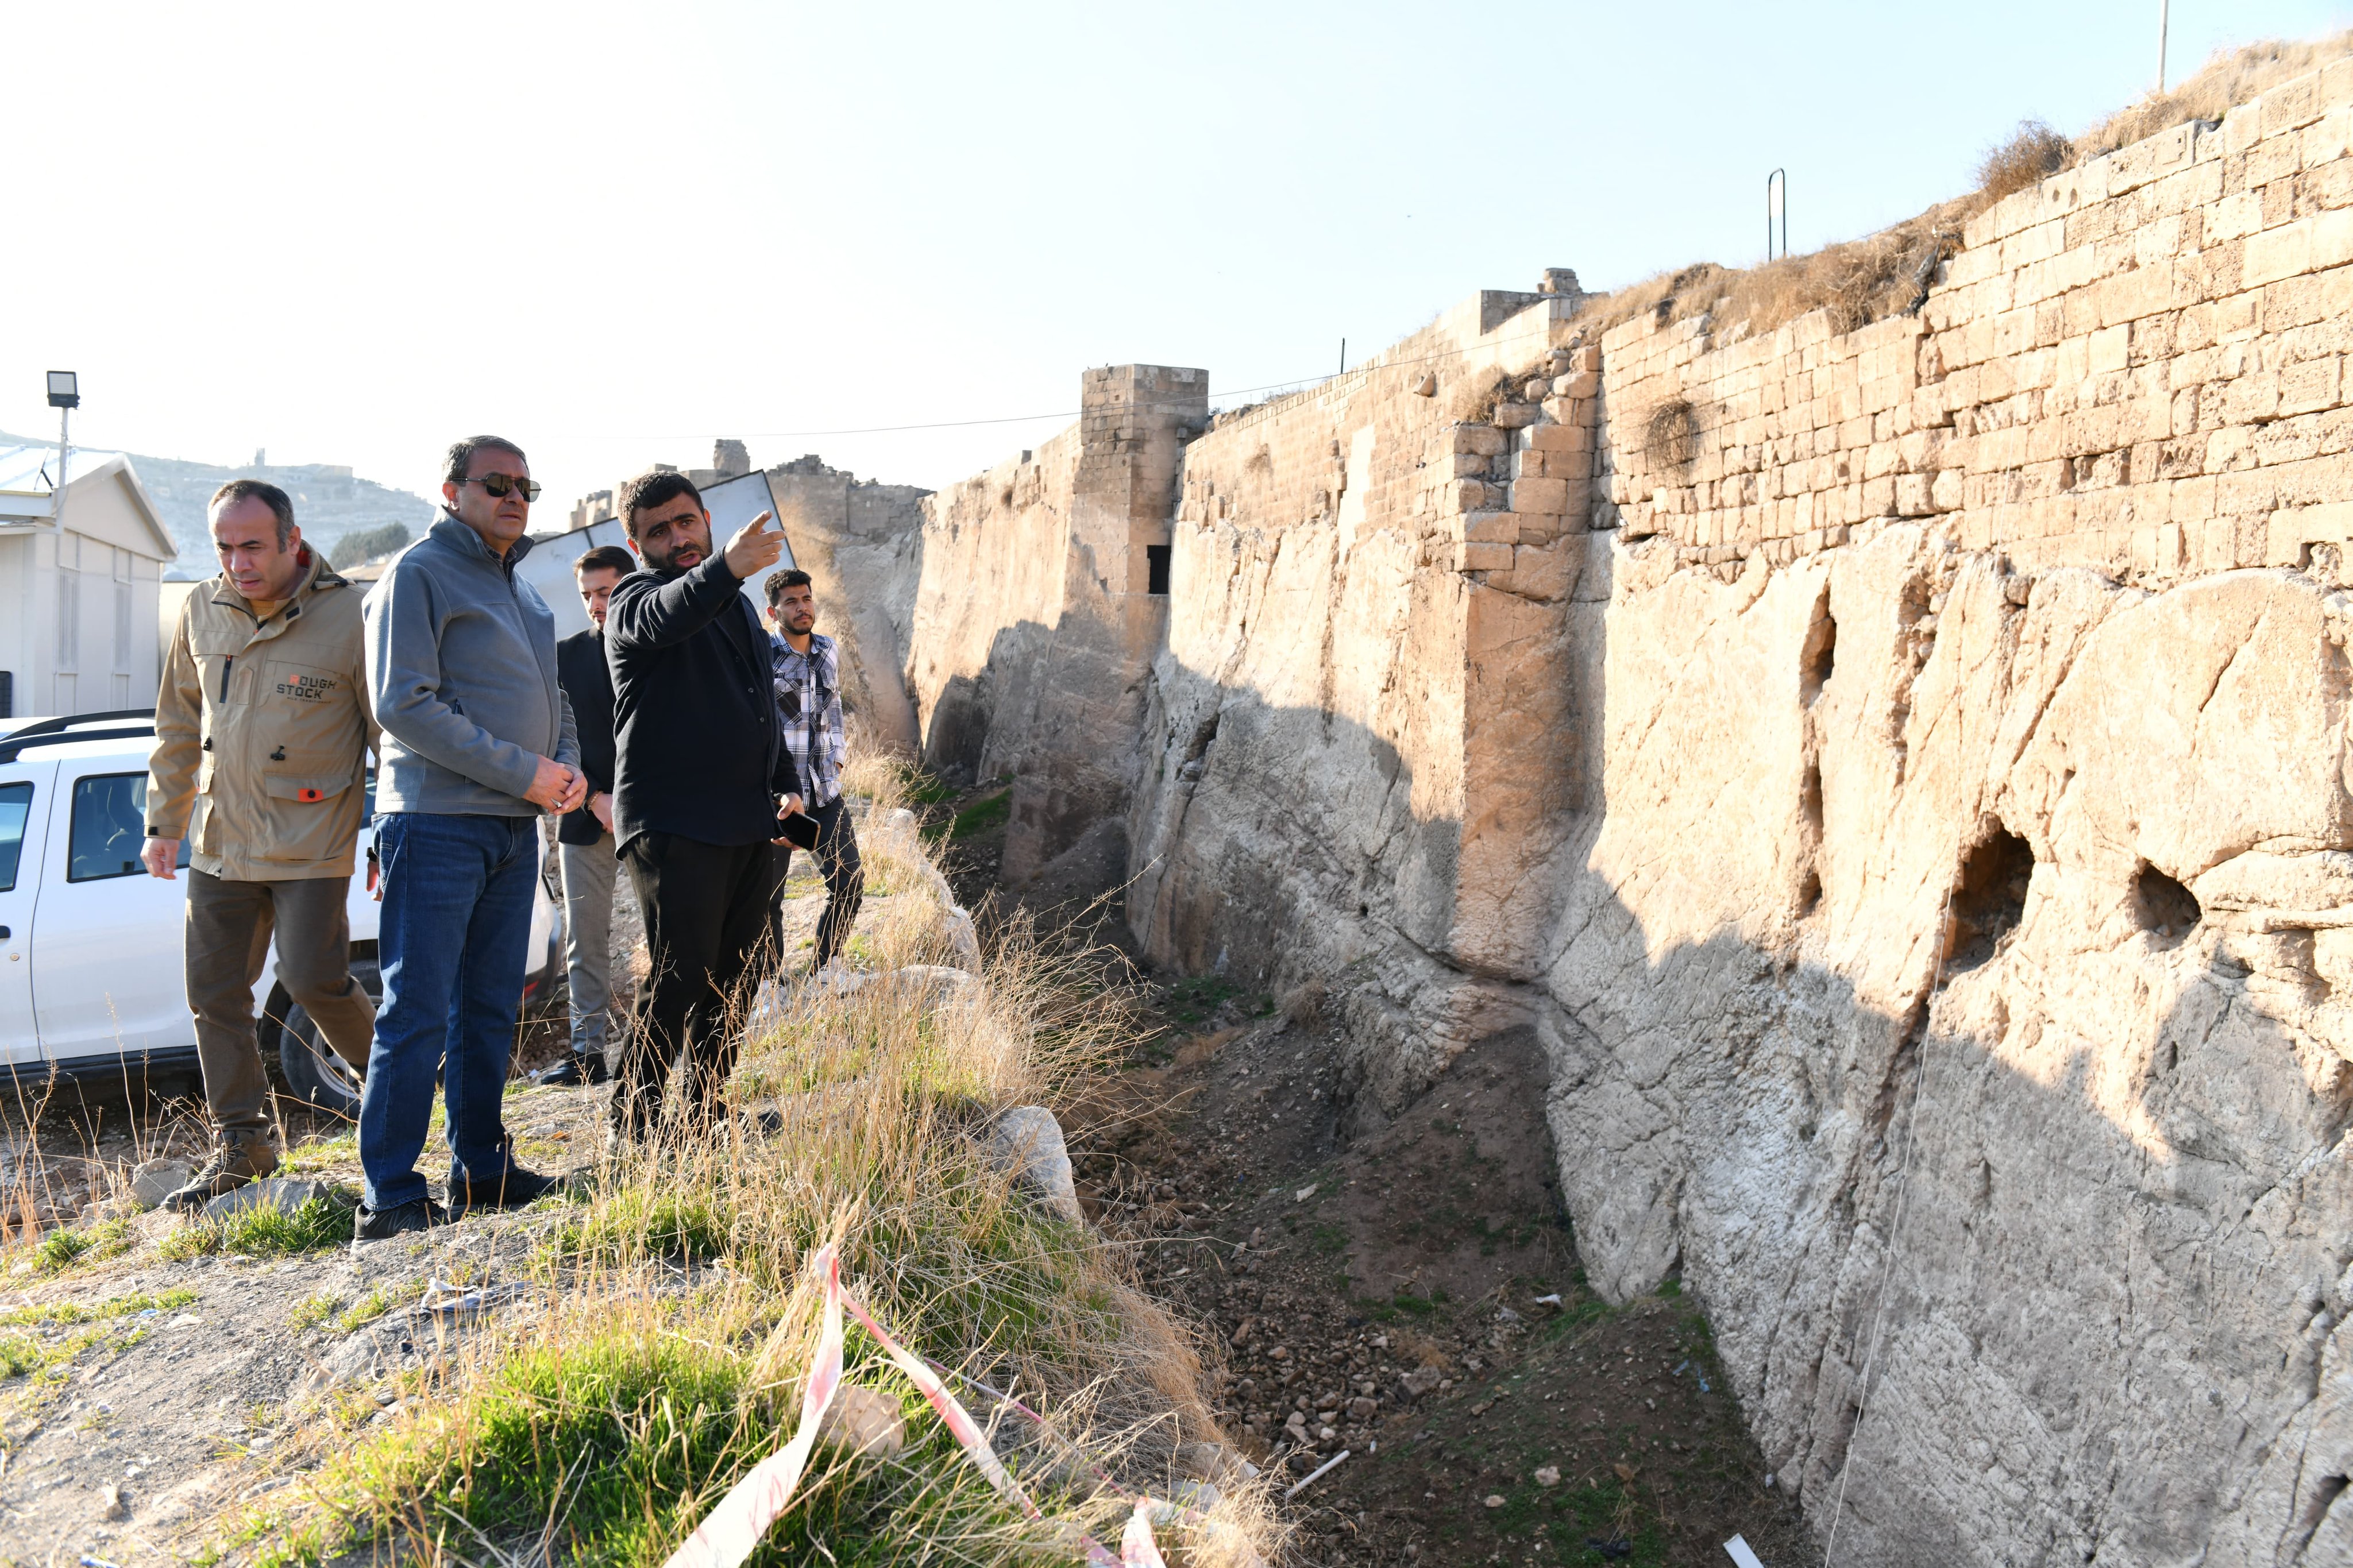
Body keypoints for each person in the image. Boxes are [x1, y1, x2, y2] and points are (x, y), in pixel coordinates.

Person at [356, 435, 585, 1239]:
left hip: (513, 828)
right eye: (497, 482)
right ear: (451, 489)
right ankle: (390, 1191)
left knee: (489, 1006)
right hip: (435, 822)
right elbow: (402, 704)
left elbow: (556, 701)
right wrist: (526, 771)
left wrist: (566, 768)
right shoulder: (420, 572)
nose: (515, 495)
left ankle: (481, 1168)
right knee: (416, 1009)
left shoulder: (526, 593)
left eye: (526, 483)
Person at [142, 480, 377, 1211]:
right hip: (219, 843)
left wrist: (391, 829)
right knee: (213, 995)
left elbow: (385, 733)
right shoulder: (200, 610)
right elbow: (179, 724)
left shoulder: (352, 616)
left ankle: (397, 1091)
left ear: (291, 540)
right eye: (223, 546)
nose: (236, 562)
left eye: (251, 546)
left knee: (314, 980)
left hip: (312, 840)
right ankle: (241, 1145)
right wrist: (165, 823)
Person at [605, 470, 801, 1140]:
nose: (677, 538)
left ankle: (704, 1113)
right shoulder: (635, 598)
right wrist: (727, 567)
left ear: (706, 518)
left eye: (686, 522)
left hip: (744, 819)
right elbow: (669, 614)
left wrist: (783, 781)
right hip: (674, 822)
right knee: (679, 973)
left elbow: (757, 697)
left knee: (738, 975)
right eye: (658, 531)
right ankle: (634, 1126)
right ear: (637, 545)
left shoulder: (737, 605)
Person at [539, 544, 635, 1087]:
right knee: (586, 938)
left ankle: (669, 1045)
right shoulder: (565, 657)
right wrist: (596, 797)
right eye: (587, 595)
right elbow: (551, 737)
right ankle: (587, 1055)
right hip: (582, 814)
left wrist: (626, 802)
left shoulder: (658, 650)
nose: (597, 605)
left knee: (671, 933)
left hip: (652, 814)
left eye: (606, 592)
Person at [765, 570, 863, 973]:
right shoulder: (760, 655)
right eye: (791, 601)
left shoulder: (827, 649)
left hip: (824, 791)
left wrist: (836, 759)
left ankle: (826, 967)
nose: (802, 607)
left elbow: (834, 709)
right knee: (768, 899)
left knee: (849, 884)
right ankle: (767, 982)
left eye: (806, 598)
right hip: (778, 799)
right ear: (774, 611)